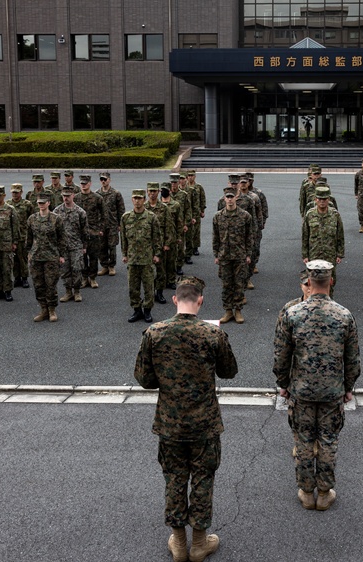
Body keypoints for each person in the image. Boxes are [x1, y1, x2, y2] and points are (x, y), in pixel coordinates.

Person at [134, 276, 238, 562]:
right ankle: (200, 543)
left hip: (170, 422)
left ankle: (179, 543)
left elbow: (144, 379)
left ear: (176, 300)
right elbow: (229, 372)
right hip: (204, 423)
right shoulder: (212, 334)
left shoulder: (155, 332)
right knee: (203, 479)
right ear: (201, 301)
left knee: (174, 478)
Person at [273, 260, 360, 512]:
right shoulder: (344, 315)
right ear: (331, 281)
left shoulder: (293, 314)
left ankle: (305, 491)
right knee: (328, 440)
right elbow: (352, 358)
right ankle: (324, 492)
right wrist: (348, 387)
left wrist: (282, 384)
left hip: (301, 390)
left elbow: (281, 355)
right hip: (332, 391)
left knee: (303, 440)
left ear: (309, 282)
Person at [212, 186, 254, 324]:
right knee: (226, 284)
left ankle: (238, 310)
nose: (229, 199)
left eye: (232, 197)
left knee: (239, 284)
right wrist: (216, 254)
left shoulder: (245, 216)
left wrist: (248, 254)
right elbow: (215, 237)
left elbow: (249, 237)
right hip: (224, 256)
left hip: (240, 255)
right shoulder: (218, 217)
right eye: (227, 197)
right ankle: (228, 311)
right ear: (224, 199)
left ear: (236, 197)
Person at [122, 188, 162, 323]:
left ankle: (147, 311)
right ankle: (136, 310)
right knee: (133, 287)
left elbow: (157, 237)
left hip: (147, 259)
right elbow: (124, 238)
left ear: (144, 200)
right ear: (132, 200)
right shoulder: (126, 217)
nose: (137, 201)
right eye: (135, 198)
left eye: (140, 198)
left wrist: (157, 254)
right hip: (132, 259)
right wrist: (124, 253)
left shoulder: (151, 217)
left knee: (149, 287)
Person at [26, 192, 67, 322]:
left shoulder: (56, 219)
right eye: (39, 203)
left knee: (51, 284)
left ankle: (52, 310)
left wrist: (61, 255)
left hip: (51, 256)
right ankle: (43, 309)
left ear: (48, 203)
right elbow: (29, 238)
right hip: (36, 256)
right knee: (38, 285)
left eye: (44, 203)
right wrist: (28, 253)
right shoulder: (32, 219)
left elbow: (62, 238)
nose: (41, 205)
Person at [301, 185, 344, 292]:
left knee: (330, 282)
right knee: (312, 282)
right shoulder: (310, 214)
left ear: (328, 199)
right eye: (320, 199)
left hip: (330, 254)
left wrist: (340, 254)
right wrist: (305, 254)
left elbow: (340, 235)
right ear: (315, 199)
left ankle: (329, 304)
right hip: (314, 253)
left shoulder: (335, 215)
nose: (322, 201)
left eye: (324, 199)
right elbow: (305, 235)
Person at [54, 186, 88, 304]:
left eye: (68, 196)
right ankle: (68, 291)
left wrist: (84, 246)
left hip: (76, 245)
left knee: (77, 268)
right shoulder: (57, 212)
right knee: (65, 270)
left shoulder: (80, 212)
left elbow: (84, 231)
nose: (65, 198)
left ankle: (77, 291)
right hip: (62, 247)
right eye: (64, 196)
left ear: (73, 195)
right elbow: (54, 231)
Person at [73, 174, 107, 289]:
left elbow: (104, 215)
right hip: (80, 233)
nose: (83, 186)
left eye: (85, 183)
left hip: (93, 232)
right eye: (82, 183)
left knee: (93, 256)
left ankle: (92, 278)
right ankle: (84, 278)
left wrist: (101, 229)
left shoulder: (97, 198)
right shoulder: (76, 198)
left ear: (90, 184)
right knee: (82, 257)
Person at [97, 172, 125, 276]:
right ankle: (104, 266)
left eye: (105, 179)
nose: (103, 181)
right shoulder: (97, 194)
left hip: (112, 223)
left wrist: (120, 224)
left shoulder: (116, 193)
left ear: (109, 180)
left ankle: (111, 266)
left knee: (112, 246)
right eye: (101, 179)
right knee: (101, 246)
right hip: (101, 225)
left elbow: (121, 209)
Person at [8, 184, 34, 289]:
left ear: (21, 192)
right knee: (14, 259)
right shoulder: (8, 204)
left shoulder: (27, 204)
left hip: (23, 235)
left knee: (22, 258)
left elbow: (31, 219)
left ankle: (24, 278)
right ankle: (17, 277)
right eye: (13, 192)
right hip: (12, 236)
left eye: (17, 192)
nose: (15, 194)